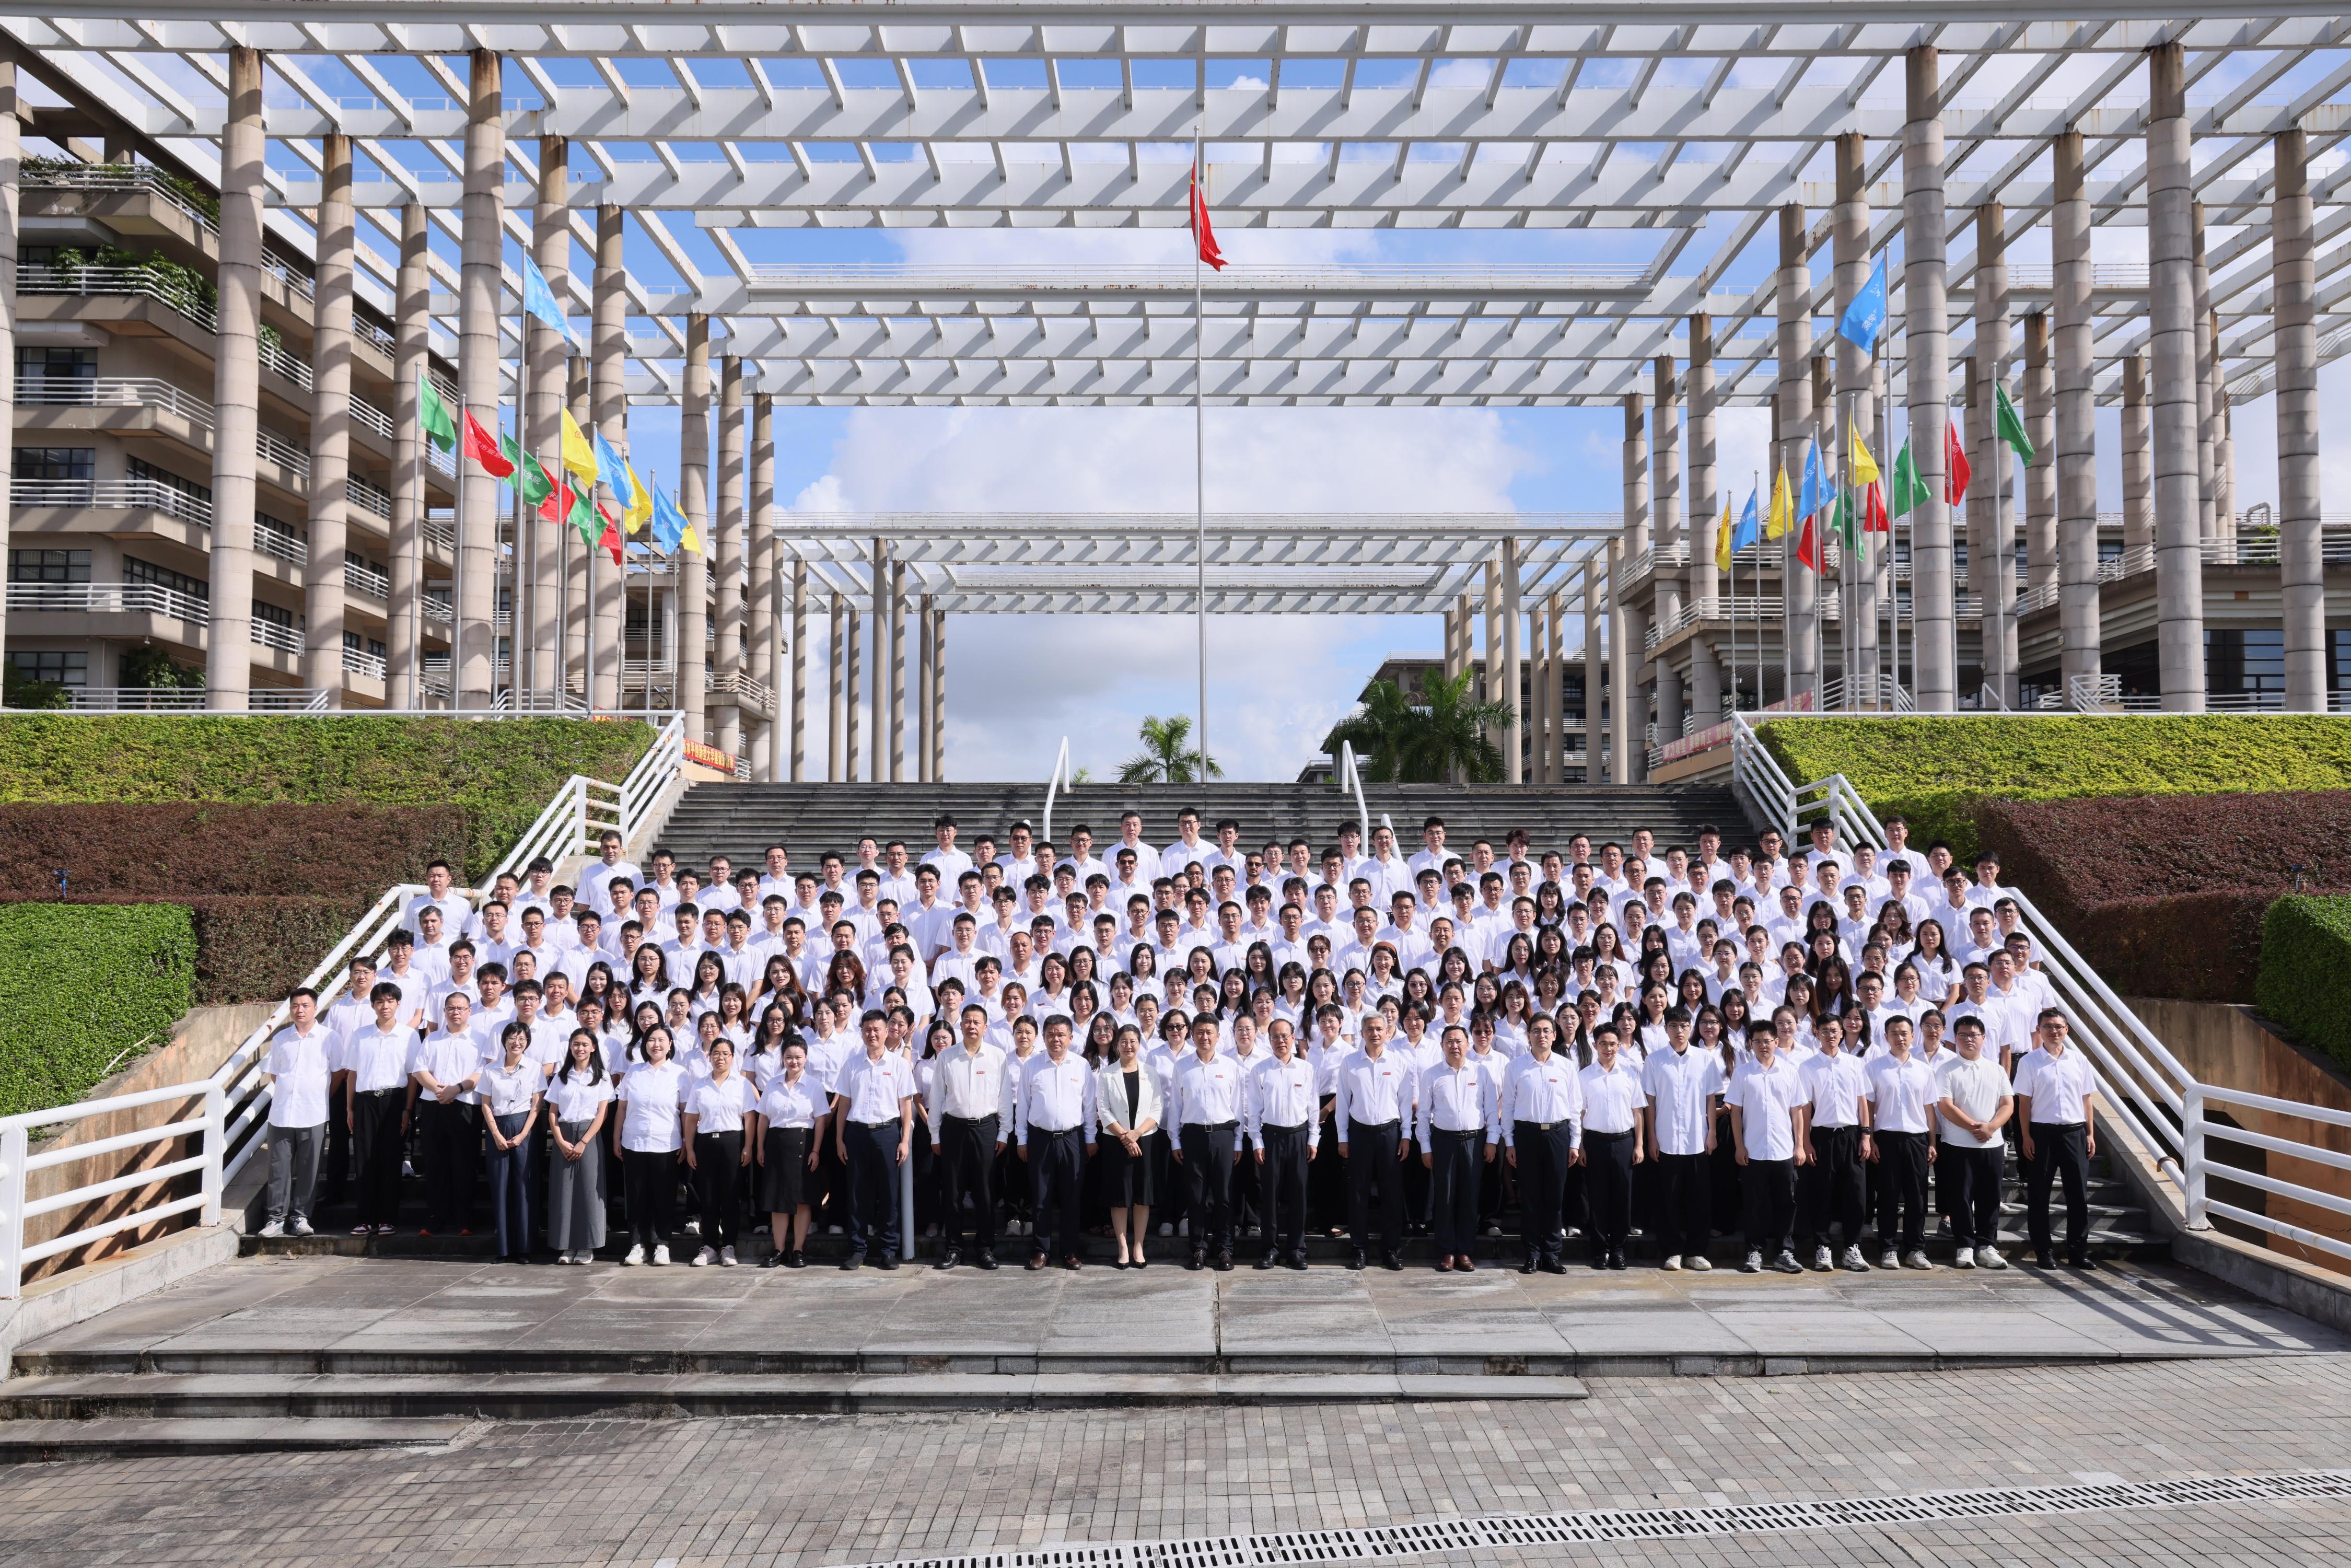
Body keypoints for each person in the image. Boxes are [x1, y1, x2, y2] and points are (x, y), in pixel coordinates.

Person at [1642, 1005, 1724, 1272]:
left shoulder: (1704, 1059)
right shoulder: (1655, 1061)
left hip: (1697, 1139)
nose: (1679, 1031)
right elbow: (1650, 1103)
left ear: (1691, 1028)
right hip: (1665, 1140)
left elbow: (1711, 1099)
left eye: (1684, 1026)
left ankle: (1696, 1252)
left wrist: (1712, 1133)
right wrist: (1652, 1138)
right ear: (1666, 1029)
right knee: (1668, 1199)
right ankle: (1672, 1252)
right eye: (1674, 1026)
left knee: (1699, 1200)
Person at [2015, 1008, 2099, 1269]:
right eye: (2048, 1026)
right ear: (2039, 1030)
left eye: (2059, 1027)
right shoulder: (2029, 1062)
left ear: (2067, 1030)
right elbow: (2024, 1103)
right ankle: (2043, 1251)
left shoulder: (2079, 1060)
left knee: (2078, 1195)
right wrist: (2026, 1136)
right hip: (2042, 1134)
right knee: (2039, 1195)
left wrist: (2090, 1133)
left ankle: (2078, 1252)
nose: (2054, 1031)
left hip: (2075, 1133)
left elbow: (2087, 1099)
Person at [1331, 1012, 1414, 1271]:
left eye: (1380, 1029)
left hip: (1390, 1132)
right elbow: (1343, 1103)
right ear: (1362, 1033)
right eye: (1370, 1029)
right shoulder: (1350, 1063)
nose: (1375, 1033)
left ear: (1387, 1032)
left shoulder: (1398, 1062)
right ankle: (1359, 1248)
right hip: (1359, 1133)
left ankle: (1390, 1250)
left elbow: (1405, 1103)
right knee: (1358, 1192)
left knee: (1392, 1192)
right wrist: (1343, 1137)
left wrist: (1406, 1136)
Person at [835, 1009, 918, 1270]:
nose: (872, 1034)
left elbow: (906, 1106)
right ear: (861, 1032)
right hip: (857, 1133)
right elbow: (844, 1105)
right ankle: (857, 1250)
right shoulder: (852, 1064)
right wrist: (839, 1139)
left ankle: (888, 1249)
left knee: (889, 1193)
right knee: (857, 1193)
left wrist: (905, 1140)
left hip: (887, 1133)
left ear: (886, 1032)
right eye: (867, 1030)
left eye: (877, 1030)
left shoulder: (899, 1065)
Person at [1500, 1014, 1581, 1274]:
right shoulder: (1515, 1067)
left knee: (1554, 1197)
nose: (1542, 1035)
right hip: (1527, 1135)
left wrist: (1575, 1142)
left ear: (1555, 1035)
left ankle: (1552, 1254)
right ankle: (1532, 1254)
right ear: (1529, 1035)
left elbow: (1574, 1107)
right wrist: (1510, 1143)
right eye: (1536, 1030)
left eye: (1547, 1031)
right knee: (1531, 1197)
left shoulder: (1566, 1067)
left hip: (1558, 1135)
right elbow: (1508, 1106)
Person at [1015, 1015, 1096, 1270]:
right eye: (1050, 1034)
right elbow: (1023, 1105)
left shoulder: (1081, 1066)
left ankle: (1070, 1251)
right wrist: (1022, 1139)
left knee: (1072, 1197)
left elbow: (1089, 1106)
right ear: (1044, 1037)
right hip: (1040, 1138)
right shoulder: (1032, 1066)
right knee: (1041, 1197)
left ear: (1070, 1038)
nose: (1056, 1039)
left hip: (1073, 1138)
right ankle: (1041, 1251)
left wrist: (1090, 1138)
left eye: (1061, 1034)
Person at [1416, 1024, 1497, 1271]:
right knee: (1445, 1197)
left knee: (1469, 1197)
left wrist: (1492, 1140)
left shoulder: (1481, 1072)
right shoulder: (1432, 1074)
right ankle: (1447, 1251)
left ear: (1468, 1044)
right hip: (1443, 1142)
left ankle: (1465, 1251)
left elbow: (1491, 1110)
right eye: (1449, 1042)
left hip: (1474, 1141)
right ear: (1442, 1046)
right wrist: (1425, 1147)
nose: (1454, 1046)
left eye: (1459, 1041)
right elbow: (1423, 1115)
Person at [1935, 1016, 2014, 1270]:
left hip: (1992, 1144)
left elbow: (2008, 1104)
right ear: (1955, 1038)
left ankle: (1987, 1246)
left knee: (1990, 1198)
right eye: (1963, 1035)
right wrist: (1973, 1126)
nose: (1969, 1039)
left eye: (1974, 1035)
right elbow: (1945, 1106)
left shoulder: (1996, 1069)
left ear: (1983, 1038)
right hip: (1957, 1144)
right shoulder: (1946, 1069)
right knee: (1960, 1197)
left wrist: (1991, 1127)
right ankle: (1965, 1246)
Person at [1795, 1015, 1872, 1273]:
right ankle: (1823, 1247)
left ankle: (1852, 1248)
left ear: (1842, 1033)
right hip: (1822, 1136)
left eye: (1834, 1031)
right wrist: (1805, 1142)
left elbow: (1862, 1101)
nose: (1830, 1035)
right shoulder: (1807, 1067)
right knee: (1822, 1193)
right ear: (1817, 1033)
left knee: (1856, 1194)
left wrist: (1866, 1135)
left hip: (1851, 1135)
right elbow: (1805, 1107)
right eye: (1825, 1031)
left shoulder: (1855, 1064)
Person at [1727, 1028, 1808, 1274]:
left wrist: (1799, 1145)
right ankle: (1755, 1251)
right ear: (1751, 1044)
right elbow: (1735, 1112)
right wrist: (1739, 1146)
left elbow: (1797, 1111)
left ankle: (1784, 1252)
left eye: (1768, 1041)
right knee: (1754, 1203)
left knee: (1786, 1203)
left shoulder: (1789, 1072)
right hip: (1753, 1150)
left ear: (1776, 1042)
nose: (1763, 1045)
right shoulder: (1743, 1073)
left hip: (1783, 1149)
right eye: (1758, 1041)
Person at [341, 980, 416, 1237]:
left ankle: (388, 1219)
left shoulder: (409, 1035)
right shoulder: (361, 1035)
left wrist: (408, 1109)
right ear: (373, 1005)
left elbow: (413, 1075)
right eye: (380, 1001)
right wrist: (350, 1108)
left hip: (395, 1102)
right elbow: (353, 1073)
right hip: (365, 1102)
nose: (385, 1006)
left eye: (390, 1001)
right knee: (364, 1160)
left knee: (391, 1160)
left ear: (398, 1004)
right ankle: (365, 1219)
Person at [1865, 1015, 1940, 1270]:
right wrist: (1870, 1138)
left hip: (1917, 1139)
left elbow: (1929, 1109)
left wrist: (1932, 1141)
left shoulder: (1923, 1070)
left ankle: (1915, 1249)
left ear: (1913, 1036)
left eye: (1904, 1033)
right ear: (1886, 1037)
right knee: (1887, 1196)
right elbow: (1869, 1107)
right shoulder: (1875, 1068)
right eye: (1895, 1033)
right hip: (1886, 1139)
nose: (1900, 1038)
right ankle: (1888, 1248)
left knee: (1917, 1198)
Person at [260, 988, 335, 1239]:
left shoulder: (329, 1038)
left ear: (315, 1008)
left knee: (309, 1168)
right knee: (278, 1168)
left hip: (314, 1112)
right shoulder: (281, 1039)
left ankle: (301, 1216)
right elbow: (275, 1074)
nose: (300, 1010)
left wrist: (318, 1095)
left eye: (305, 1005)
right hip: (282, 1113)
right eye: (295, 1006)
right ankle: (275, 1218)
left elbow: (339, 1073)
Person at [408, 991, 484, 1237]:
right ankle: (436, 1218)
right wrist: (440, 1091)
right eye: (451, 1008)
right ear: (444, 1012)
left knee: (465, 1164)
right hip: (434, 1106)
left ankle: (465, 1219)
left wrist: (457, 1089)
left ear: (469, 1011)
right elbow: (419, 1069)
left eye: (461, 1008)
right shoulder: (431, 1039)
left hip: (466, 1107)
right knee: (435, 1163)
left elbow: (482, 1072)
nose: (455, 1012)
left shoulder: (480, 1039)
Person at [1171, 1013, 1243, 1271]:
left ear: (1218, 1036)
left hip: (1224, 1136)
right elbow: (1175, 1106)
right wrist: (1175, 1141)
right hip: (1193, 1136)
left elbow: (1238, 1107)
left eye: (1209, 1032)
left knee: (1224, 1195)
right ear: (1192, 1035)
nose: (1204, 1037)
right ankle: (1199, 1249)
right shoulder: (1182, 1067)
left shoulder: (1230, 1066)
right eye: (1200, 1032)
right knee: (1196, 1196)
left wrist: (1238, 1143)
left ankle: (1225, 1248)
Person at [615, 1023, 688, 1265]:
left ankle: (662, 1244)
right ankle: (637, 1245)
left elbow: (686, 1112)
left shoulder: (680, 1074)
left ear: (670, 1045)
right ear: (645, 1044)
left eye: (661, 1040)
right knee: (637, 1197)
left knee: (664, 1197)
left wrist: (686, 1141)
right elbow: (622, 1108)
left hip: (667, 1144)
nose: (656, 1045)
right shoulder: (634, 1073)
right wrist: (617, 1137)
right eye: (651, 1040)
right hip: (634, 1142)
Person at [754, 1038, 829, 1269]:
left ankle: (798, 1249)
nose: (793, 1062)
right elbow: (763, 1118)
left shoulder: (814, 1086)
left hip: (804, 1145)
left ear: (806, 1058)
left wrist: (816, 1150)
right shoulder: (772, 1084)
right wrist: (760, 1147)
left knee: (802, 1201)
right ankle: (779, 1249)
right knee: (777, 1199)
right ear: (783, 1059)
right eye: (789, 1057)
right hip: (776, 1143)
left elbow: (820, 1121)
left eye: (798, 1057)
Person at [681, 1037, 756, 1266]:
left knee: (731, 1197)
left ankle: (729, 1247)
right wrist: (690, 1148)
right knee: (708, 1197)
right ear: (710, 1056)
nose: (720, 1057)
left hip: (733, 1142)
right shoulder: (700, 1085)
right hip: (706, 1143)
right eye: (716, 1053)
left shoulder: (742, 1084)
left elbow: (749, 1118)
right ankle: (710, 1246)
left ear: (733, 1058)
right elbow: (691, 1118)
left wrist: (748, 1146)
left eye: (725, 1054)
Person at [1577, 1025, 1644, 1269]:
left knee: (1622, 1197)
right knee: (1597, 1196)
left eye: (1613, 1044)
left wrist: (1639, 1144)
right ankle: (1601, 1250)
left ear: (1619, 1045)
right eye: (1603, 1044)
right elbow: (1579, 1113)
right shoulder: (1585, 1076)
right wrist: (1580, 1146)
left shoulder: (1629, 1075)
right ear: (1595, 1045)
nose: (1608, 1048)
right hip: (1594, 1142)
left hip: (1624, 1141)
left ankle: (1618, 1249)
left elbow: (1638, 1112)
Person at [1096, 1022, 1162, 1268]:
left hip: (1145, 1140)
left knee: (1142, 1196)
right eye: (1123, 1041)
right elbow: (1103, 1110)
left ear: (1139, 1044)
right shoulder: (1107, 1074)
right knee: (1119, 1195)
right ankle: (1123, 1247)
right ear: (1117, 1045)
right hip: (1116, 1141)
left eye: (1133, 1041)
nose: (1128, 1046)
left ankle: (1139, 1246)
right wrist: (1125, 1137)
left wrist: (1136, 1134)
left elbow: (1157, 1109)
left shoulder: (1151, 1072)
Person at [476, 1022, 543, 1263]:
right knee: (501, 1187)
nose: (517, 1043)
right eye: (513, 1038)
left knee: (524, 1188)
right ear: (504, 1041)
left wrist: (523, 1134)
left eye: (522, 1039)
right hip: (498, 1128)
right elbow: (486, 1104)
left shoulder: (535, 1068)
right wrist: (495, 1134)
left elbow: (536, 1106)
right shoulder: (490, 1069)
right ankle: (504, 1249)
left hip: (525, 1128)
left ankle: (524, 1248)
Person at [545, 1029, 613, 1264]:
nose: (580, 1048)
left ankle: (587, 1246)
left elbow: (602, 1113)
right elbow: (553, 1112)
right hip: (563, 1135)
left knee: (589, 1191)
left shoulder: (602, 1076)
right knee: (564, 1192)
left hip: (589, 1135)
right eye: (576, 1044)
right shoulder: (561, 1076)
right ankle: (566, 1246)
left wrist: (584, 1141)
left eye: (585, 1044)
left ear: (593, 1047)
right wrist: (559, 1140)